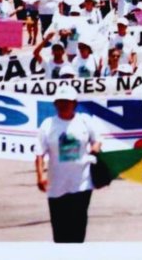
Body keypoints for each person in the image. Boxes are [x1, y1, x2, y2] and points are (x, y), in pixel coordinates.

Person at [35, 85, 102, 243]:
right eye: (60, 102)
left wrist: (95, 147)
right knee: (60, 230)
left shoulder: (85, 121)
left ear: (75, 104)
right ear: (55, 104)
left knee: (78, 227)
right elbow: (39, 153)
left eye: (68, 102)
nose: (64, 105)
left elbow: (97, 139)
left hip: (82, 183)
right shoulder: (47, 125)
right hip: (57, 185)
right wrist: (40, 176)